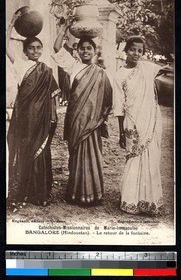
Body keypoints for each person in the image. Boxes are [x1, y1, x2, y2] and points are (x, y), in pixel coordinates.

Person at [52, 18, 112, 206]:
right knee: (76, 154)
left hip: (92, 122)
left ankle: (93, 193)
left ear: (95, 51)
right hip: (76, 119)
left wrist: (100, 118)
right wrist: (63, 30)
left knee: (92, 154)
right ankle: (76, 192)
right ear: (77, 51)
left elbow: (107, 98)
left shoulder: (100, 73)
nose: (85, 51)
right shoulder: (73, 66)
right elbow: (56, 48)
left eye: (89, 48)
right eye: (82, 48)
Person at [6, 13, 60, 207]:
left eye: (38, 48)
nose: (35, 51)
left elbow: (53, 97)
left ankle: (40, 193)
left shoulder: (46, 70)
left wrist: (53, 117)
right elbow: (5, 47)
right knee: (26, 151)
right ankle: (24, 192)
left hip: (43, 118)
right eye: (31, 48)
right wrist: (11, 25)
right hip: (25, 118)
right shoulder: (20, 65)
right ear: (26, 51)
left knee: (42, 151)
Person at [113, 36, 165, 216]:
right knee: (133, 157)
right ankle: (131, 200)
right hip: (131, 122)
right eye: (133, 50)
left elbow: (165, 70)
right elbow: (118, 106)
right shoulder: (119, 74)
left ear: (143, 53)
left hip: (150, 119)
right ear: (126, 51)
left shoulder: (148, 68)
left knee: (150, 157)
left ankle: (149, 202)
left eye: (140, 51)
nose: (136, 53)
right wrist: (121, 132)